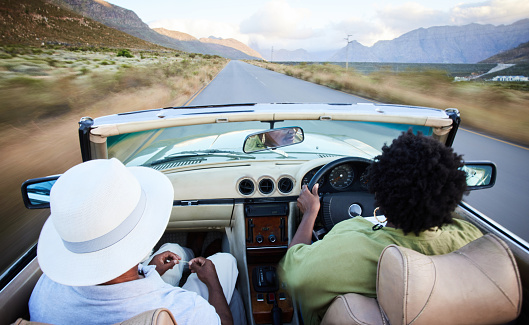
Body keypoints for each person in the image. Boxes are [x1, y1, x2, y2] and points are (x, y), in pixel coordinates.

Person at [278, 130, 483, 325]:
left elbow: (291, 272)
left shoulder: (350, 245)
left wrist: (310, 213)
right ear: (450, 196)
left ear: (379, 194)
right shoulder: (470, 239)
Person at [28, 158, 239, 325]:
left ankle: (191, 251)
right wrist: (212, 282)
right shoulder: (188, 310)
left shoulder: (43, 294)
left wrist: (149, 269)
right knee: (224, 262)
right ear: (143, 241)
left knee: (173, 249)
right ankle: (200, 257)